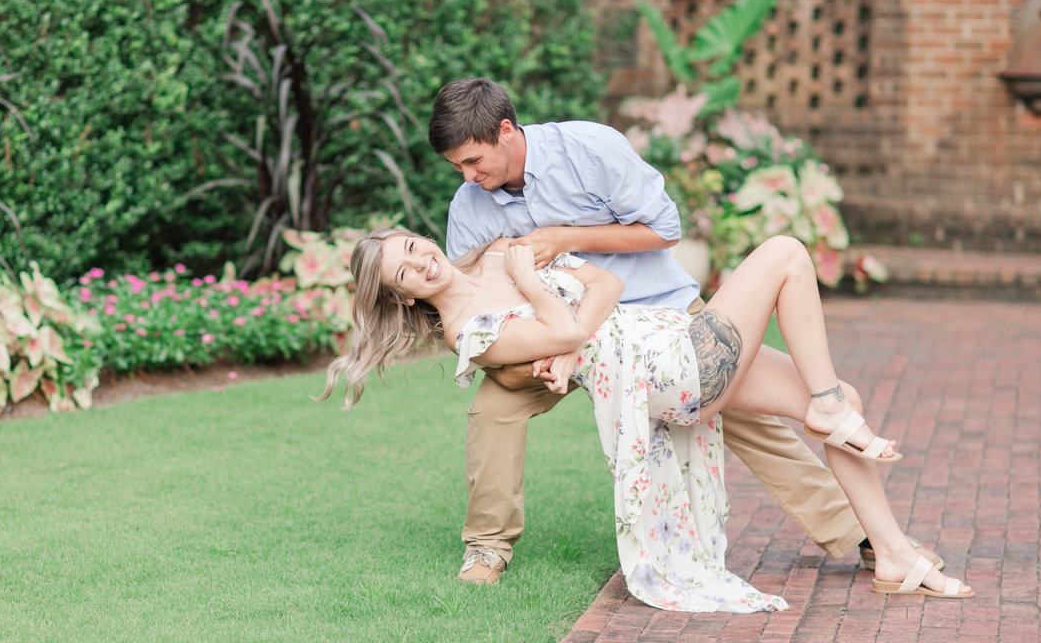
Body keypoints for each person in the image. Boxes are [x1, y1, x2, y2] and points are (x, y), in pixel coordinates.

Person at [424, 77, 937, 586]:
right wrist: (544, 345)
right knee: (493, 409)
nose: (467, 177)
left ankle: (862, 534)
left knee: (749, 416)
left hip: (661, 314)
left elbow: (665, 229)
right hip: (560, 340)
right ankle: (486, 546)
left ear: (506, 131)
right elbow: (477, 301)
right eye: (456, 166)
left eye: (473, 161)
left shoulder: (589, 148)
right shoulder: (468, 207)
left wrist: (565, 237)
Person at [320, 230, 974, 610]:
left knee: (840, 398)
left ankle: (891, 556)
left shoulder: (497, 255)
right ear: (401, 295)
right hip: (660, 372)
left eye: (413, 245)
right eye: (405, 270)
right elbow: (564, 326)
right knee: (784, 254)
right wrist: (543, 293)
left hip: (661, 333)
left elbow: (607, 286)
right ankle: (829, 408)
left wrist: (559, 327)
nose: (421, 260)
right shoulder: (470, 331)